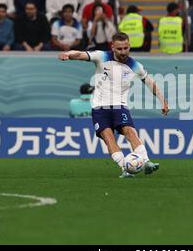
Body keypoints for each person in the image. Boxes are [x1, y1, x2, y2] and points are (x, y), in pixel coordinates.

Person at [58, 32, 169, 178]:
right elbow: (79, 54)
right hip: (99, 107)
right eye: (120, 49)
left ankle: (147, 162)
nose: (123, 52)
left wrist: (163, 100)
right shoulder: (101, 56)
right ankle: (125, 167)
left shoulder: (135, 66)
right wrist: (68, 54)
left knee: (129, 131)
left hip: (119, 105)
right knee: (108, 136)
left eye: (126, 48)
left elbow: (150, 83)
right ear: (113, 47)